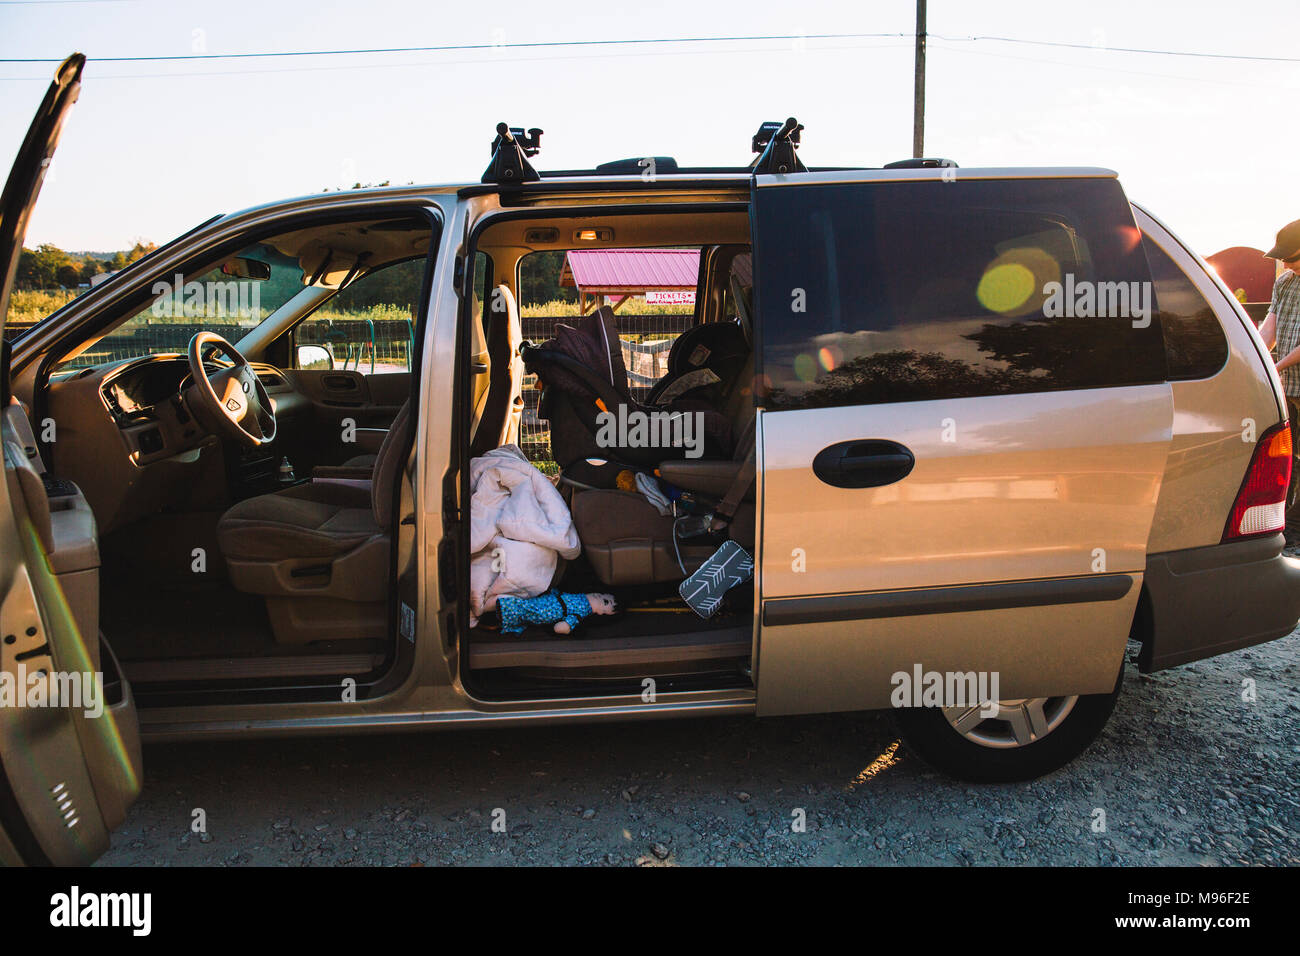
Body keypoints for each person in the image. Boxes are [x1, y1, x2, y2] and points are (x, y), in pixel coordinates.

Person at [1257, 218, 1300, 543]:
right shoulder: (1285, 283)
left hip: (1288, 376)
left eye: (1292, 257)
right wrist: (1258, 355)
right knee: (1288, 457)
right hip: (1288, 387)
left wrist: (1276, 367)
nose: (1285, 263)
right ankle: (1287, 526)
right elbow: (1269, 327)